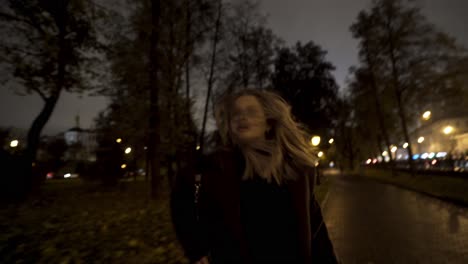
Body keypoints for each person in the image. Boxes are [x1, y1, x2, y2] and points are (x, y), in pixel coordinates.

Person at [171, 89, 338, 264]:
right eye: (236, 113)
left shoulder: (296, 170)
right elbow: (181, 203)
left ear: (269, 123)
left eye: (251, 112)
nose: (241, 117)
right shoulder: (213, 168)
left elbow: (316, 231)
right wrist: (196, 250)